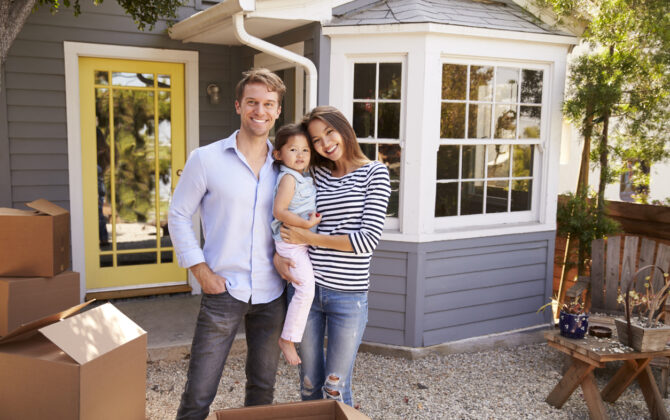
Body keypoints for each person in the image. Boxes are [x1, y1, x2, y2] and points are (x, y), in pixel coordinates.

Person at [168, 68, 287, 420]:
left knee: (263, 387)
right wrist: (199, 270)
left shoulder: (286, 166)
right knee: (199, 390)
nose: (260, 111)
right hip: (223, 291)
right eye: (252, 102)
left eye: (268, 104)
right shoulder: (206, 159)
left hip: (272, 293)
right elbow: (178, 214)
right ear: (238, 105)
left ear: (278, 111)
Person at [275, 106, 391, 407]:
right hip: (306, 291)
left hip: (348, 297)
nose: (324, 143)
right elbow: (280, 207)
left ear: (344, 128)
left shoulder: (375, 173)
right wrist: (278, 257)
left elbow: (366, 241)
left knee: (334, 388)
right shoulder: (316, 174)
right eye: (315, 140)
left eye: (329, 132)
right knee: (309, 384)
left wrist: (308, 237)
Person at [270, 123, 321, 365]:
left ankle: (290, 337)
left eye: (305, 150)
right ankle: (287, 339)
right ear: (278, 154)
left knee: (304, 286)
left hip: (299, 241)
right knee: (305, 288)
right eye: (293, 150)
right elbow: (279, 211)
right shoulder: (289, 178)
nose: (300, 155)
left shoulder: (304, 177)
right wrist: (306, 225)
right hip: (291, 242)